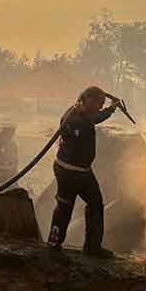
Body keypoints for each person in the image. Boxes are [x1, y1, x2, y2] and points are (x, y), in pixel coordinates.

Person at [48, 86, 118, 258]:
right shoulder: (77, 118)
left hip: (70, 169)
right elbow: (92, 120)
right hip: (74, 173)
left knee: (70, 205)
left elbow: (96, 116)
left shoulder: (77, 113)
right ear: (88, 99)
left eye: (103, 103)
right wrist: (110, 109)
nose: (101, 106)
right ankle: (87, 247)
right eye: (99, 103)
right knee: (83, 205)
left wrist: (111, 108)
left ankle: (56, 243)